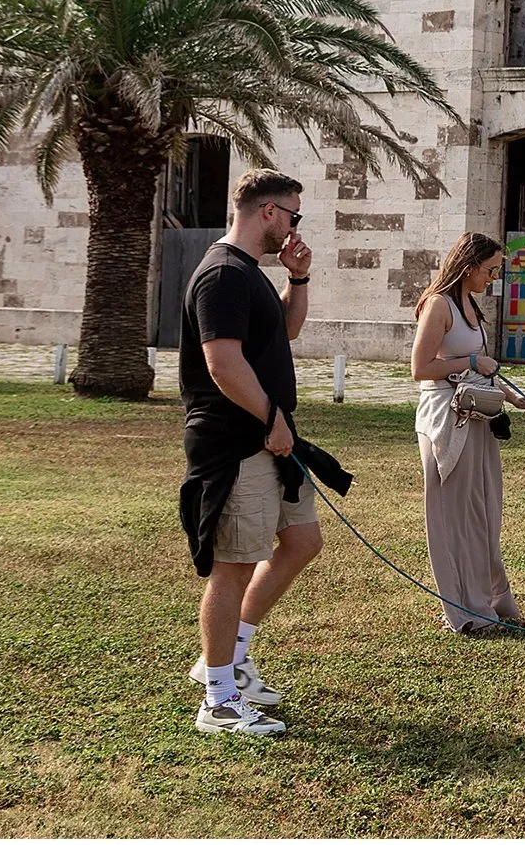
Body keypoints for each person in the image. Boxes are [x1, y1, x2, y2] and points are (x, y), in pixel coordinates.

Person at [177, 168, 320, 737]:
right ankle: (217, 699)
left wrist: (298, 279)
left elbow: (285, 332)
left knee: (302, 540)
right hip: (236, 440)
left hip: (269, 437)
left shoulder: (251, 273)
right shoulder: (222, 274)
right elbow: (222, 363)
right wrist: (270, 418)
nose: (294, 225)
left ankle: (232, 657)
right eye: (293, 214)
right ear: (268, 211)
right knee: (233, 565)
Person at [412, 233, 525, 635]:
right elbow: (421, 368)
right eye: (490, 270)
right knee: (455, 517)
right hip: (447, 421)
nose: (493, 278)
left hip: (478, 417)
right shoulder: (438, 305)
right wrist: (469, 360)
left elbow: (480, 369)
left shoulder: (470, 303)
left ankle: (492, 600)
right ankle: (466, 611)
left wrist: (514, 399)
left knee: (484, 513)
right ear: (468, 267)